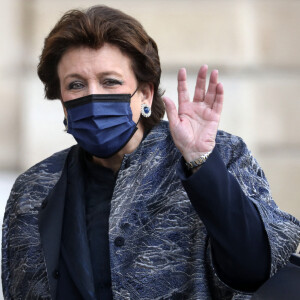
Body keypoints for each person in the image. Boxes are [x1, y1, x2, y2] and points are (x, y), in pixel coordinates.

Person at [2, 5, 300, 300]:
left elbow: (255, 267)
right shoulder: (34, 188)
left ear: (145, 93)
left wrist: (201, 163)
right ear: (63, 102)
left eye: (110, 82)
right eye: (76, 85)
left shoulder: (217, 155)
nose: (94, 96)